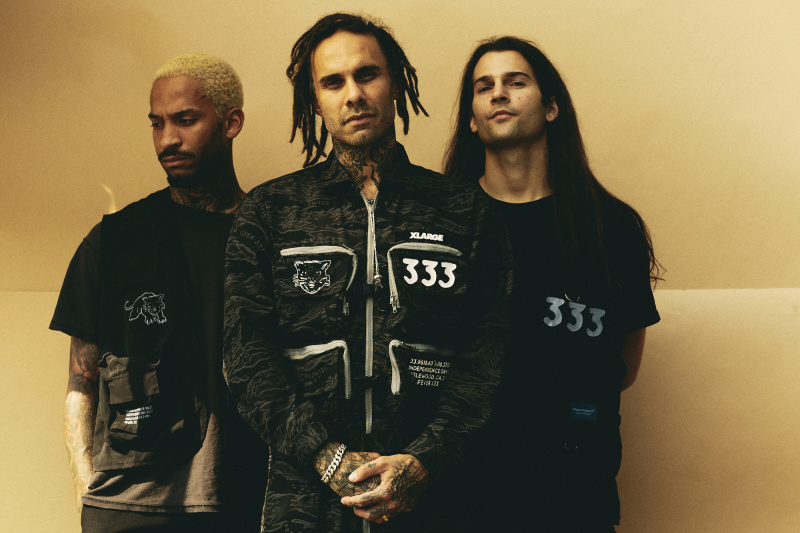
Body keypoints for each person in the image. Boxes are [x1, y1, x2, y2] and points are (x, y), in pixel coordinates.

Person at [223, 13, 512, 533]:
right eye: (333, 82)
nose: (353, 94)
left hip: (437, 499)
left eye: (367, 75)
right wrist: (325, 456)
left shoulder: (465, 210)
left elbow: (486, 355)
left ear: (395, 83)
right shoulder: (269, 211)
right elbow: (246, 356)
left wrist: (424, 459)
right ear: (316, 101)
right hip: (305, 504)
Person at [443, 37, 662, 532]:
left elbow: (622, 365)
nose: (499, 93)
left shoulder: (611, 227)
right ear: (472, 120)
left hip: (574, 492)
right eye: (484, 86)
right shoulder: (443, 226)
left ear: (551, 108)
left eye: (515, 82)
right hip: (463, 494)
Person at [52, 53, 267, 532]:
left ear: (231, 123)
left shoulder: (270, 238)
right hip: (129, 510)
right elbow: (80, 384)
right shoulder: (115, 240)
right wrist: (86, 490)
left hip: (245, 504)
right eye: (157, 123)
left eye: (185, 120)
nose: (167, 139)